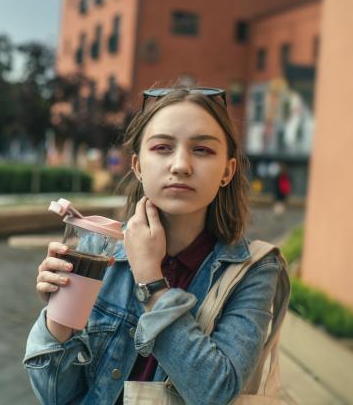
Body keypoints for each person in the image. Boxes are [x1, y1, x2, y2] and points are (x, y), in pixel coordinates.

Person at [24, 86, 287, 405]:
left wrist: (151, 281)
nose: (180, 165)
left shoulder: (253, 270)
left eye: (202, 150)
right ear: (137, 165)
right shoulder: (95, 247)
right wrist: (59, 323)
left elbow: (215, 392)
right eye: (162, 147)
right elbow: (55, 396)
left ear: (227, 171)